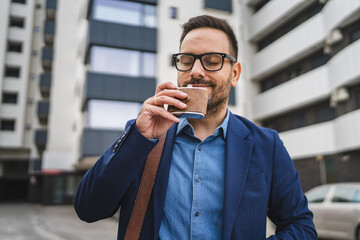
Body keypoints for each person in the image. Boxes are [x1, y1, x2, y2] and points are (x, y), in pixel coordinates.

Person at [75, 15, 317, 239]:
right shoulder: (144, 133)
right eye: (186, 61)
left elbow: (301, 227)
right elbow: (88, 209)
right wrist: (138, 138)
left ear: (235, 74)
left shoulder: (267, 145)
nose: (196, 72)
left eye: (212, 61)